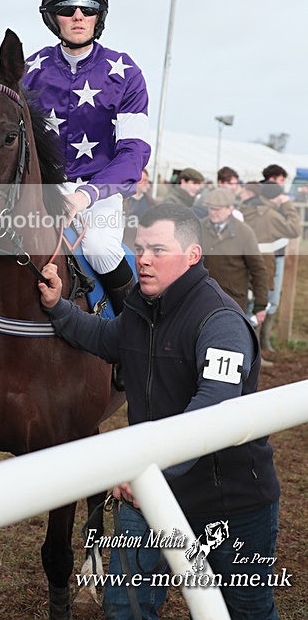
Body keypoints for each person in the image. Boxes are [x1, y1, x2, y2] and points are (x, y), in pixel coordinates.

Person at [37, 203, 280, 620]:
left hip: (228, 502)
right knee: (125, 609)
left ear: (192, 255)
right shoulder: (139, 304)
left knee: (245, 611)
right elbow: (105, 337)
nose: (144, 259)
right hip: (149, 487)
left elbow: (213, 408)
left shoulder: (220, 319)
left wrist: (148, 470)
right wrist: (59, 306)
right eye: (140, 248)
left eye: (158, 249)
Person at [22, 0, 150, 315]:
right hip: (43, 192)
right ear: (53, 18)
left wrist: (87, 194)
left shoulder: (126, 73)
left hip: (98, 196)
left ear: (99, 16)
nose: (78, 16)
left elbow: (134, 151)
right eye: (67, 9)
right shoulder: (28, 71)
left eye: (88, 8)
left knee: (99, 248)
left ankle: (136, 332)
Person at [242, 180, 300, 355]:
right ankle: (254, 352)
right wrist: (287, 205)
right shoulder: (269, 215)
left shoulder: (246, 209)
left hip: (243, 266)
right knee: (259, 306)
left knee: (247, 305)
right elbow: (294, 229)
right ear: (276, 197)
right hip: (262, 266)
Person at [200, 188, 269, 329]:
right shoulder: (199, 227)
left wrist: (260, 304)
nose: (213, 212)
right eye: (210, 208)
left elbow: (258, 270)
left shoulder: (244, 233)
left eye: (218, 209)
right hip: (202, 298)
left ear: (230, 209)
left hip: (232, 300)